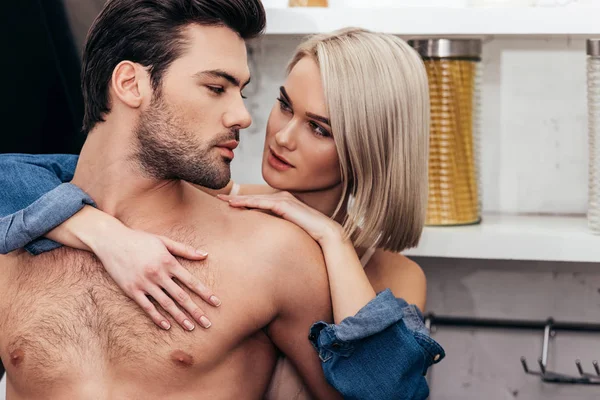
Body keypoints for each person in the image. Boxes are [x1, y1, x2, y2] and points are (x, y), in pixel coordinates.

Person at [0, 24, 445, 400]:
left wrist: (333, 238)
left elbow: (383, 388)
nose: (279, 135)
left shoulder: (369, 269)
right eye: (284, 104)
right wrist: (99, 231)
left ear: (367, 149)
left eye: (318, 128)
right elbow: (55, 173)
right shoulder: (217, 196)